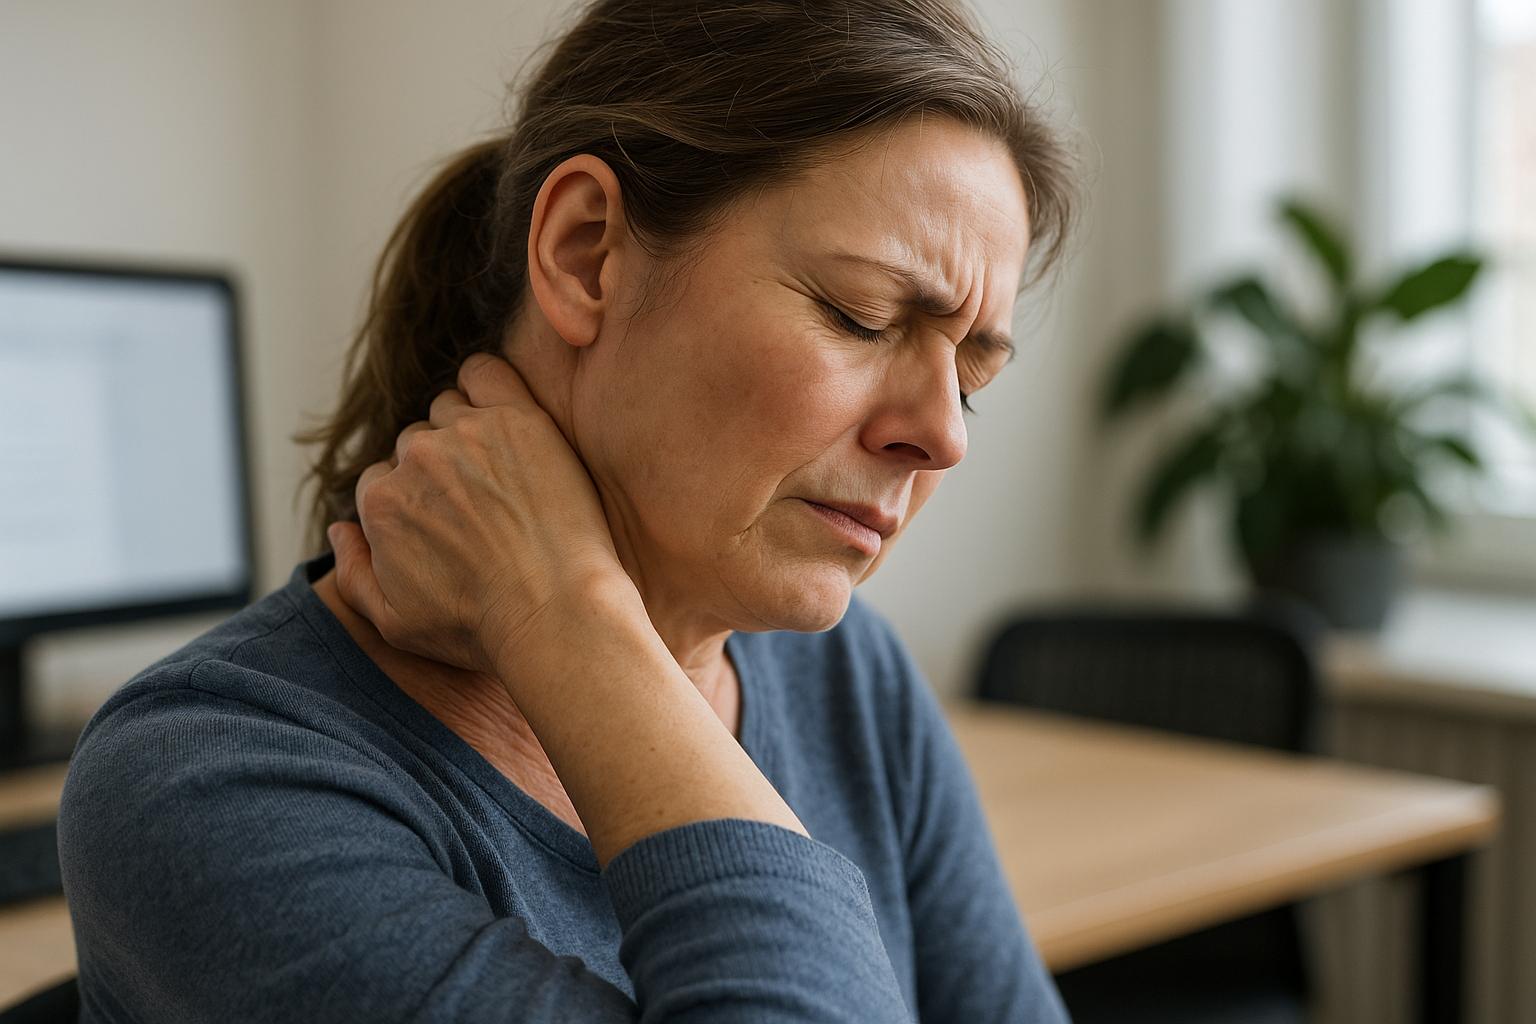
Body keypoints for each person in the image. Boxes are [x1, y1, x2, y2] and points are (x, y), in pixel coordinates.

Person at [57, 0, 1080, 1020]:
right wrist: (571, 619)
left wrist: (569, 616)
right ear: (587, 252)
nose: (943, 435)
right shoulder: (209, 784)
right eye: (862, 315)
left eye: (972, 378)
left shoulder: (848, 678)